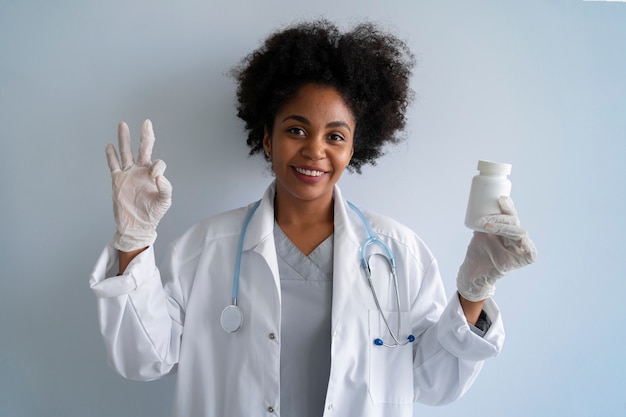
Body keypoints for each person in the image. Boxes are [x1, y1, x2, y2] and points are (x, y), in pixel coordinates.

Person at [90, 20, 536, 417]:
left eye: (335, 136)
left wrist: (473, 291)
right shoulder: (203, 248)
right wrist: (134, 238)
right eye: (296, 130)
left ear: (354, 147)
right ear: (267, 138)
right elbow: (141, 358)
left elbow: (433, 383)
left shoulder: (398, 252)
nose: (314, 150)